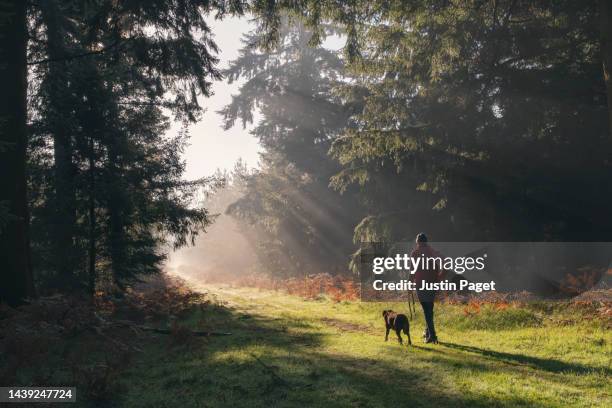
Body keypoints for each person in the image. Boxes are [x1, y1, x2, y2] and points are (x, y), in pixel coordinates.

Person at [411, 233, 441, 344]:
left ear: (417, 242)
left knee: (427, 310)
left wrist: (410, 286)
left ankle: (432, 336)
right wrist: (438, 278)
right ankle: (428, 332)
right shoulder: (433, 252)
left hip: (421, 285)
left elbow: (412, 271)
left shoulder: (415, 253)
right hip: (432, 284)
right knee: (429, 309)